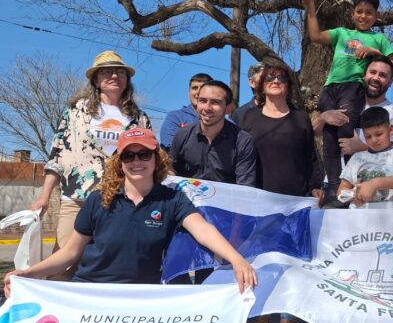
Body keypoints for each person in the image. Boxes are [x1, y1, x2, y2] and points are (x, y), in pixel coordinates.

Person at [3, 129, 256, 297]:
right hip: (89, 293)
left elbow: (203, 229)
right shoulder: (97, 200)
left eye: (144, 154)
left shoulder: (172, 200)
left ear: (156, 159)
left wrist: (236, 259)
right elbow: (70, 254)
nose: (137, 161)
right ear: (120, 162)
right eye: (129, 155)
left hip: (140, 299)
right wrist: (28, 274)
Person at [28, 50, 151, 279]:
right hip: (77, 199)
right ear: (95, 79)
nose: (114, 76)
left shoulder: (139, 117)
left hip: (119, 202)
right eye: (107, 71)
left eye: (120, 72)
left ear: (127, 79)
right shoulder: (76, 112)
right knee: (64, 265)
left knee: (111, 265)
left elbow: (149, 158)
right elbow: (58, 154)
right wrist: (44, 195)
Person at [294, 0, 393, 208]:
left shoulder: (379, 38)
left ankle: (353, 178)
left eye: (369, 12)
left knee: (343, 128)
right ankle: (333, 185)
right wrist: (310, 5)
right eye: (359, 11)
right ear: (353, 14)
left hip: (353, 87)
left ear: (376, 16)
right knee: (329, 136)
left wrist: (374, 53)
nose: (363, 16)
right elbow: (314, 36)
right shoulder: (342, 33)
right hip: (331, 87)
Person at [238, 64, 322, 197]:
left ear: (288, 86)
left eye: (282, 78)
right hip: (256, 198)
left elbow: (311, 157)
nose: (276, 81)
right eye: (270, 77)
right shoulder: (246, 117)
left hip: (295, 199)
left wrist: (315, 187)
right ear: (262, 87)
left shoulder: (301, 118)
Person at [170, 80, 257, 187]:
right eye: (202, 101)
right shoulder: (182, 135)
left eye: (215, 102)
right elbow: (171, 171)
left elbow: (245, 187)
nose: (207, 108)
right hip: (187, 201)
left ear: (228, 107)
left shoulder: (243, 141)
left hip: (227, 202)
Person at [337, 107, 393, 208]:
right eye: (368, 136)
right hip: (361, 219)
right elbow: (341, 190)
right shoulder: (357, 158)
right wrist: (355, 195)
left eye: (379, 134)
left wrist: (375, 183)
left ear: (390, 129)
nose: (374, 140)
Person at [159, 73, 214, 151]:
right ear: (189, 92)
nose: (198, 92)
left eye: (202, 88)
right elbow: (169, 146)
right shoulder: (175, 117)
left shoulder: (225, 122)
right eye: (194, 88)